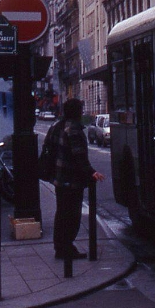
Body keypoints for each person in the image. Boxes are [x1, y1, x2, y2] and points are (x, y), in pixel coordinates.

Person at [49, 98, 105, 260]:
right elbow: (79, 155)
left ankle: (60, 247)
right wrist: (91, 172)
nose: (82, 112)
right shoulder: (73, 129)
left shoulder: (57, 126)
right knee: (72, 216)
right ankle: (66, 248)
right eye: (81, 110)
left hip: (59, 178)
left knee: (61, 214)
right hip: (71, 180)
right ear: (76, 112)